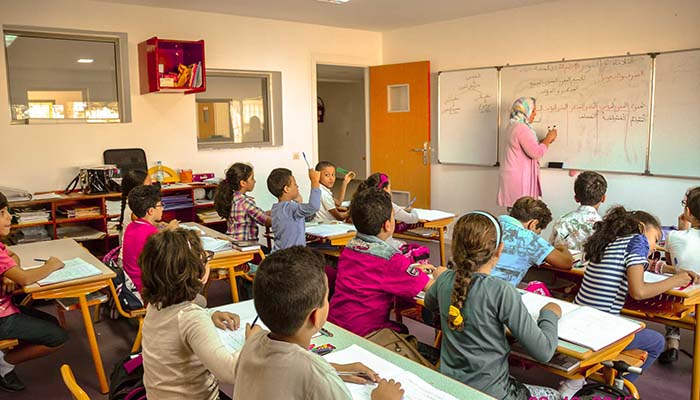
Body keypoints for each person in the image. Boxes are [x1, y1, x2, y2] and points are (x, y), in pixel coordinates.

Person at [234, 246, 403, 400]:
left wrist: (332, 369)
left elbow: (285, 368)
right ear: (315, 316)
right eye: (326, 298)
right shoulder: (319, 379)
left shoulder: (253, 342)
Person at [561, 207, 699, 396]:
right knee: (656, 342)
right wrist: (676, 281)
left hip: (578, 319)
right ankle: (615, 390)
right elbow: (639, 292)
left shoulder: (611, 240)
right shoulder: (638, 240)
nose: (653, 248)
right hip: (596, 329)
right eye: (656, 240)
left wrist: (673, 271)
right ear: (642, 228)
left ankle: (593, 378)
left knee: (632, 326)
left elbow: (644, 264)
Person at [424, 212, 562, 400]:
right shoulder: (502, 291)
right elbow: (544, 352)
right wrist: (549, 314)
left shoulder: (445, 281)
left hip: (448, 385)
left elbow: (429, 304)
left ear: (455, 249)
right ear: (499, 251)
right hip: (491, 393)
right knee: (556, 395)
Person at [328, 188, 444, 337]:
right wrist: (441, 274)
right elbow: (430, 287)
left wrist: (413, 268)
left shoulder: (350, 247)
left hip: (335, 324)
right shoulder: (391, 259)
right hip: (364, 333)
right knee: (403, 332)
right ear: (387, 224)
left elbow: (375, 274)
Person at [141, 229, 241, 400]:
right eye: (206, 258)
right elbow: (229, 372)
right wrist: (254, 342)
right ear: (197, 271)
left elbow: (176, 325)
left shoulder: (155, 305)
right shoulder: (191, 317)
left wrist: (209, 315)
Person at [0, 192, 69, 392]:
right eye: (3, 212)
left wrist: (7, 274)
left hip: (7, 308)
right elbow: (26, 278)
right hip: (3, 318)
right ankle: (4, 363)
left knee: (52, 323)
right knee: (58, 337)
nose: (9, 217)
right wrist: (51, 265)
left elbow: (12, 254)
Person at [659, 186, 700, 364]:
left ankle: (672, 344)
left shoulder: (674, 236)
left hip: (681, 300)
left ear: (688, 211)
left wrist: (682, 231)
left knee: (673, 284)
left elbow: (671, 263)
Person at [493, 196, 573, 287]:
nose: (537, 235)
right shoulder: (529, 238)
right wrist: (563, 248)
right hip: (499, 293)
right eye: (538, 232)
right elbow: (566, 262)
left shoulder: (490, 224)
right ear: (533, 223)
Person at [498, 97, 558, 209]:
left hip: (513, 177)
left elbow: (527, 147)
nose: (535, 114)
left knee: (515, 213)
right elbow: (536, 153)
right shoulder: (522, 128)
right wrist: (548, 139)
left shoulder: (512, 126)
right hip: (519, 179)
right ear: (525, 111)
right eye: (533, 110)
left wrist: (545, 141)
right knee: (522, 213)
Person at [122, 184, 178, 293]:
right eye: (160, 205)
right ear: (151, 211)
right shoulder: (151, 234)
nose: (162, 208)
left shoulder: (131, 226)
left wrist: (156, 226)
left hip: (131, 285)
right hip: (148, 289)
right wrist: (170, 229)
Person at [549, 171, 607, 251]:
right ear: (603, 198)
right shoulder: (604, 226)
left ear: (576, 198)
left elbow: (551, 250)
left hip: (563, 262)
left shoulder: (561, 221)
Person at [214, 163, 271, 242]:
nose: (255, 181)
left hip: (233, 243)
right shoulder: (245, 202)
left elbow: (252, 214)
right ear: (243, 183)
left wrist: (269, 212)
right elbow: (266, 221)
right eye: (252, 178)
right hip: (245, 246)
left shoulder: (232, 197)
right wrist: (283, 217)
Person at [267, 168, 321, 251]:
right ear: (286, 189)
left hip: (280, 254)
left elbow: (306, 217)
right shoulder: (290, 208)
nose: (297, 186)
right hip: (292, 257)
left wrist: (299, 202)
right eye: (295, 184)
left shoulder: (276, 208)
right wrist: (315, 182)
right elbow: (314, 207)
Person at [116, 170, 151, 244]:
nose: (152, 188)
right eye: (149, 185)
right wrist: (169, 228)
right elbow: (149, 232)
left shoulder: (133, 204)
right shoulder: (134, 210)